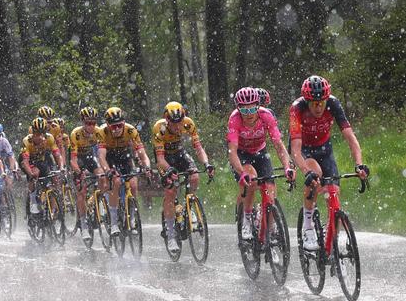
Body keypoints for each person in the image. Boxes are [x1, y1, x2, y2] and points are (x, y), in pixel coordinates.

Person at [289, 75, 369, 250]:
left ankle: (331, 239)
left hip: (325, 149)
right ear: (307, 101)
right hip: (303, 150)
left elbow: (351, 138)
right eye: (314, 103)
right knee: (315, 175)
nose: (318, 107)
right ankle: (308, 227)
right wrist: (304, 170)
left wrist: (359, 164)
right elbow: (295, 148)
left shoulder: (333, 103)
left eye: (321, 102)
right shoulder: (297, 108)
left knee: (333, 193)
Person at [227, 87, 295, 240]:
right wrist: (241, 172)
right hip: (241, 154)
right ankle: (247, 217)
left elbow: (279, 145)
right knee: (251, 179)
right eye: (244, 110)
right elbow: (232, 151)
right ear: (238, 109)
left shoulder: (266, 116)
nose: (249, 114)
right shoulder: (234, 119)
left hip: (260, 152)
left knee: (270, 191)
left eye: (252, 109)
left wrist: (287, 166)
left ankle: (270, 228)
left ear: (258, 106)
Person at [152, 101, 214, 253]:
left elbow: (198, 148)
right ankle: (171, 233)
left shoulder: (188, 124)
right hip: (164, 158)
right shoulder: (159, 128)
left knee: (194, 177)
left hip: (179, 154)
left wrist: (206, 164)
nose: (177, 126)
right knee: (171, 190)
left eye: (179, 122)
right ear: (167, 120)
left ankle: (190, 205)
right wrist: (169, 170)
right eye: (173, 123)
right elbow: (160, 159)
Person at [96, 107, 151, 236]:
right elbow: (101, 157)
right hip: (110, 158)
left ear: (124, 123)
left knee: (133, 185)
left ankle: (132, 217)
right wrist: (107, 170)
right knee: (116, 182)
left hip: (125, 157)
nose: (117, 129)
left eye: (120, 125)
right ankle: (114, 221)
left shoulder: (131, 130)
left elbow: (142, 154)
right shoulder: (102, 132)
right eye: (113, 127)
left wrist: (147, 167)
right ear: (108, 125)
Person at [70, 107, 104, 241]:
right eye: (87, 123)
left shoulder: (99, 132)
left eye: (93, 123)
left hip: (90, 158)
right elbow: (73, 160)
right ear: (82, 122)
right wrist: (79, 172)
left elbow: (102, 154)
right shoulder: (75, 134)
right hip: (77, 159)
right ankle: (84, 225)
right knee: (81, 191)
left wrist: (104, 168)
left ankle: (94, 202)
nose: (91, 126)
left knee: (103, 177)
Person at [20, 117, 63, 215]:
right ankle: (33, 201)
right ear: (32, 133)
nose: (40, 137)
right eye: (37, 134)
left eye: (42, 133)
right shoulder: (27, 141)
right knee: (35, 173)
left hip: (40, 160)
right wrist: (30, 174)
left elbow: (57, 154)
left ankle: (52, 212)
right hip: (27, 160)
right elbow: (25, 161)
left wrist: (61, 168)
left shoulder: (49, 138)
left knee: (50, 183)